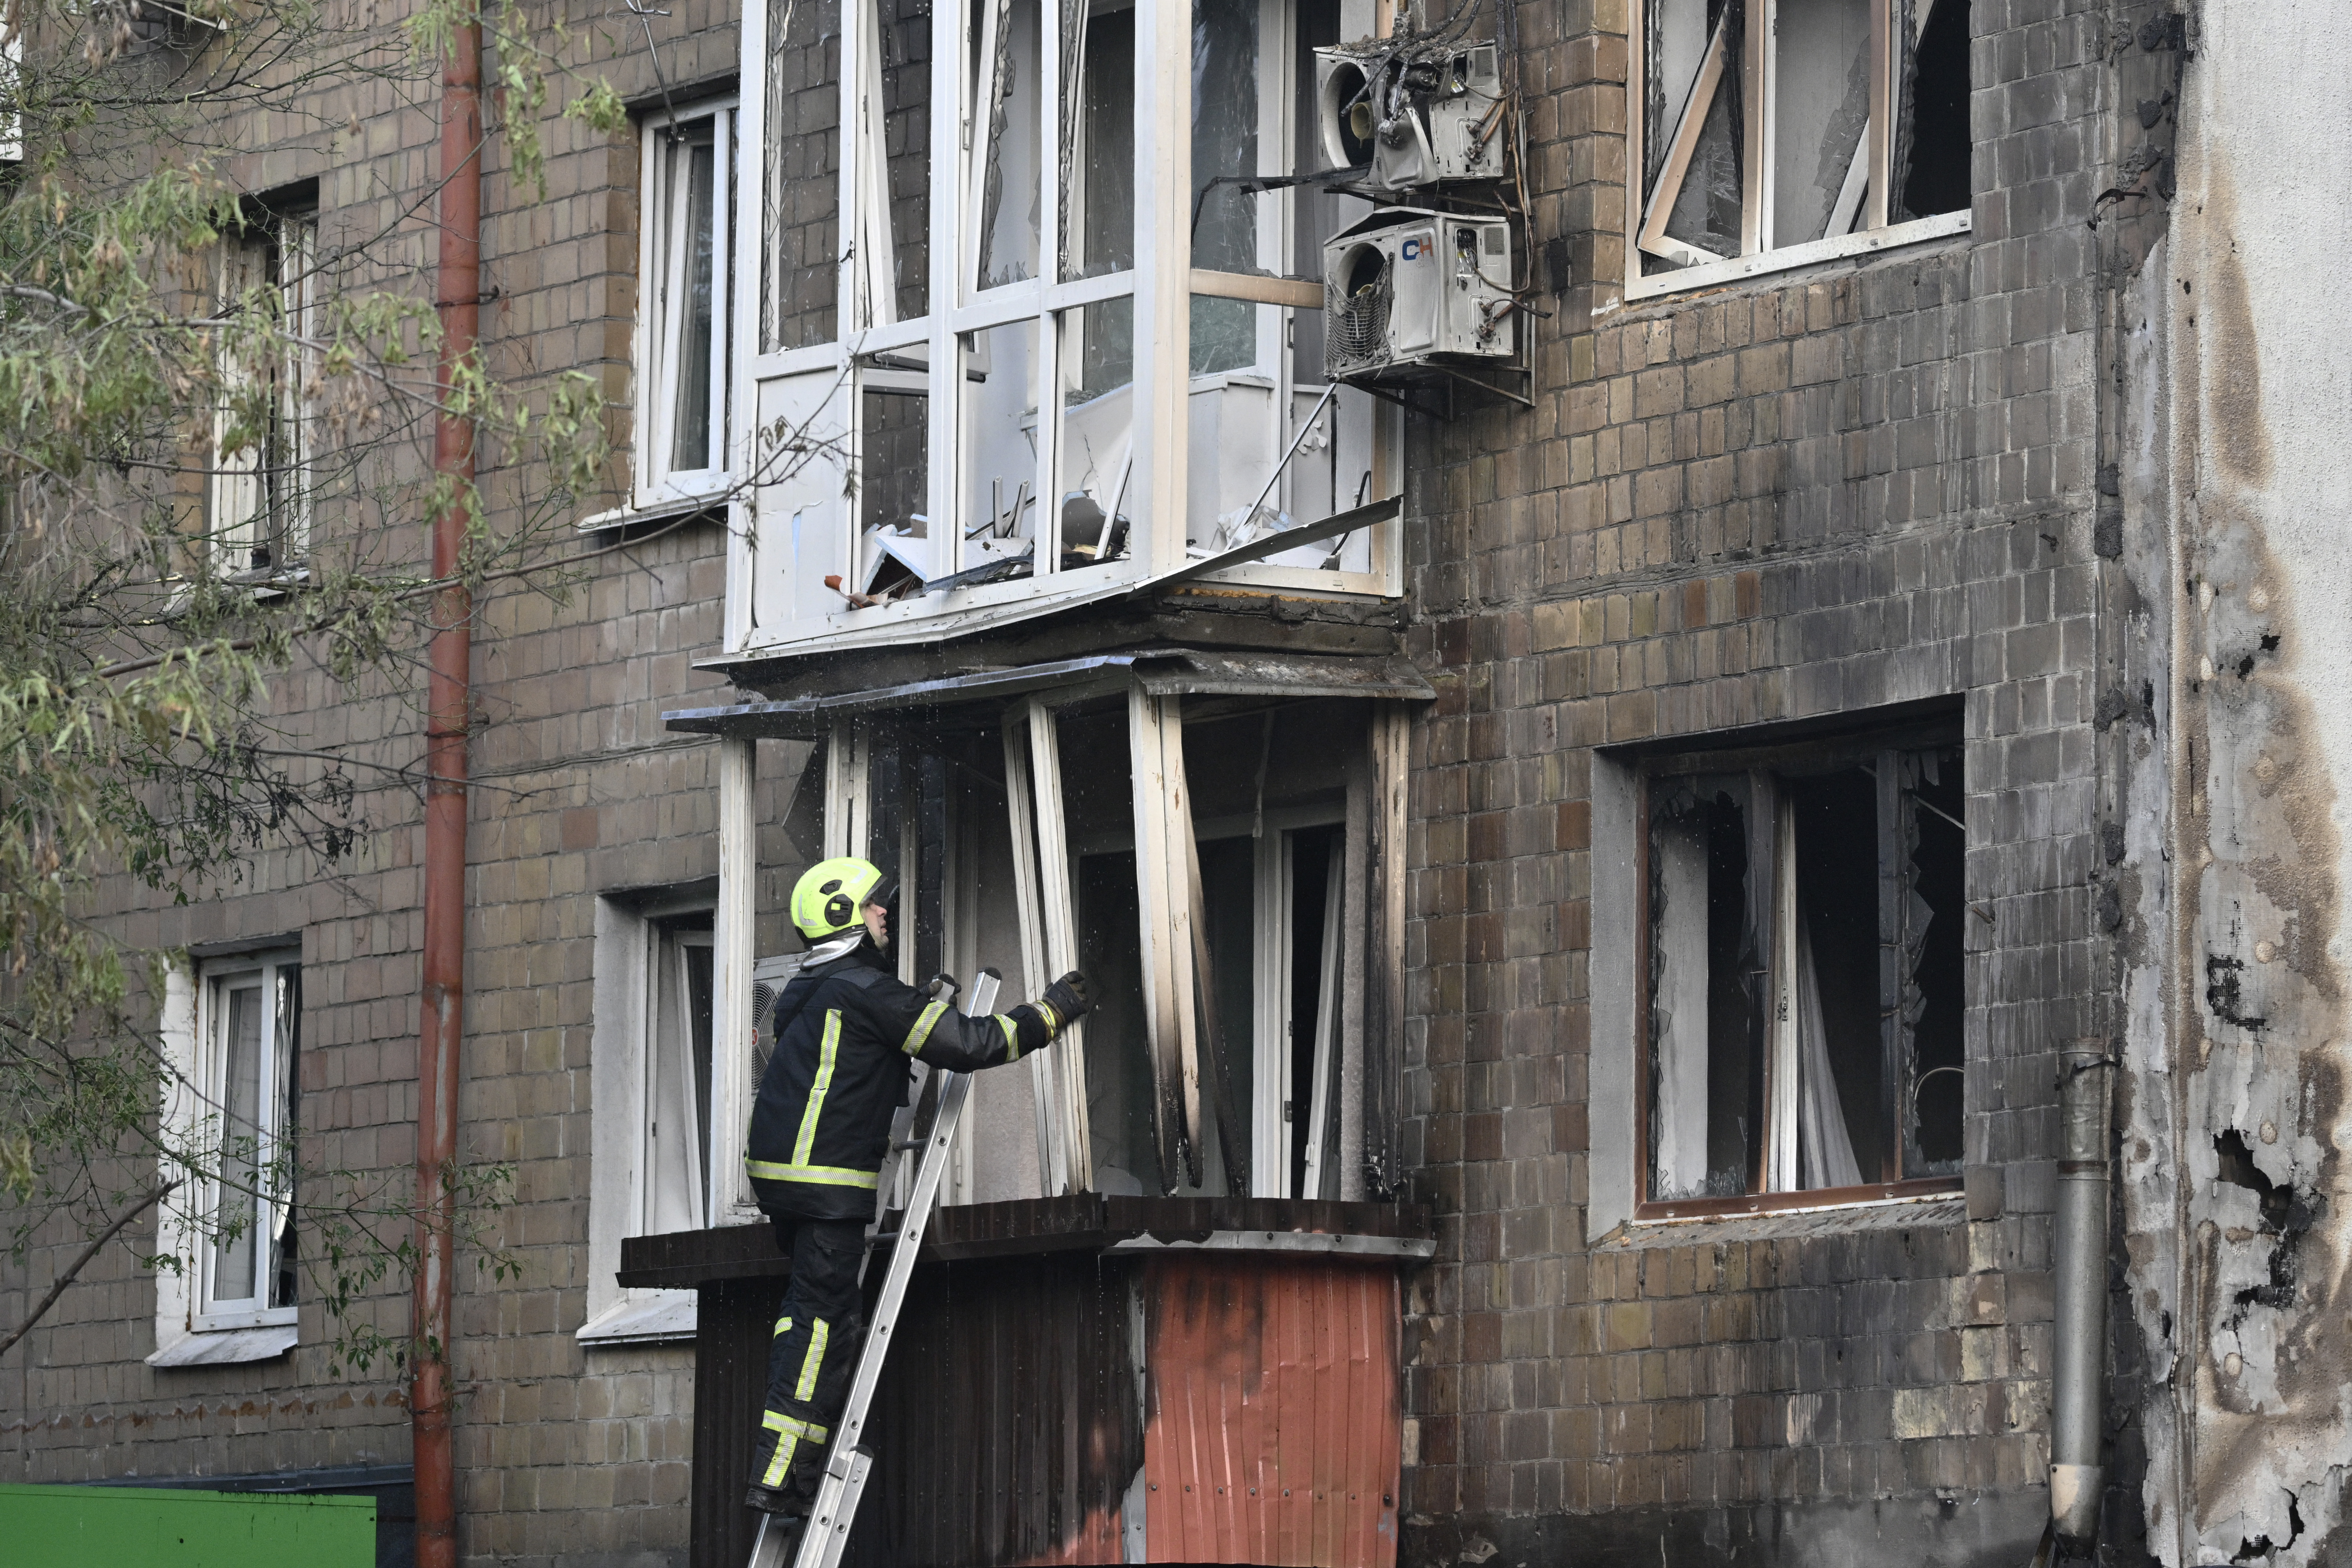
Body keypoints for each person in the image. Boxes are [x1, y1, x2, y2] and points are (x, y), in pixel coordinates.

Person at [743, 854, 1090, 1524]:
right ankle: (781, 1477)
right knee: (820, 1327)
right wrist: (1050, 1013)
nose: (884, 915)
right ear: (844, 916)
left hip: (788, 1185)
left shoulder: (810, 991)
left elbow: (854, 1060)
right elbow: (969, 1044)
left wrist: (917, 1010)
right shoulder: (868, 993)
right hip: (828, 1189)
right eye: (875, 906)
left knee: (816, 1317)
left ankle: (788, 1472)